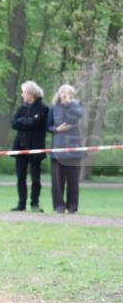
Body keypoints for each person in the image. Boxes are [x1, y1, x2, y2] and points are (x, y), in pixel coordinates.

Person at [10, 80, 49, 212]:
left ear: (30, 94)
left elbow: (36, 123)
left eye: (23, 93)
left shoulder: (43, 109)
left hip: (35, 148)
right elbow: (14, 124)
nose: (22, 95)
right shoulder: (21, 108)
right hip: (20, 147)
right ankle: (21, 204)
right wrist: (25, 121)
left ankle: (35, 204)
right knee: (20, 177)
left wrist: (23, 121)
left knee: (35, 178)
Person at [47, 84, 84, 214]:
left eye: (67, 92)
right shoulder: (53, 108)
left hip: (73, 149)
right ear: (58, 93)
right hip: (58, 149)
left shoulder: (77, 106)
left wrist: (68, 104)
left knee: (73, 180)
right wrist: (56, 129)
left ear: (72, 95)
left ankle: (72, 206)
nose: (64, 94)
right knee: (57, 181)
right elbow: (48, 127)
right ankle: (59, 206)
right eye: (62, 91)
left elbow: (73, 119)